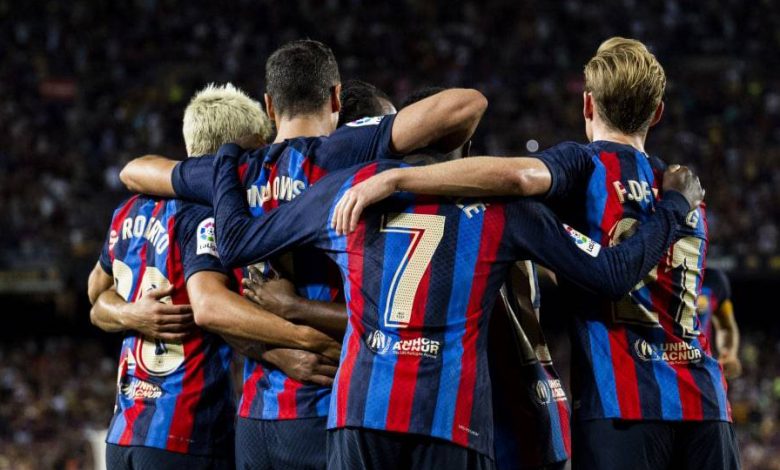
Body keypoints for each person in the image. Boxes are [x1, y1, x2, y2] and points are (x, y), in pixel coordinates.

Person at [330, 37, 739, 469]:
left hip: (623, 407)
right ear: (657, 113)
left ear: (587, 104)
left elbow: (519, 179)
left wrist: (397, 179)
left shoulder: (586, 165)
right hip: (707, 404)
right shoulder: (685, 189)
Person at [208, 136, 703, 469]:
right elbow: (613, 273)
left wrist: (227, 157)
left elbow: (233, 241)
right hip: (453, 420)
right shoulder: (507, 210)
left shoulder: (349, 192)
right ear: (467, 154)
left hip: (361, 413)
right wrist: (674, 207)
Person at [117, 39, 487, 469]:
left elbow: (134, 170)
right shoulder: (341, 153)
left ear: (270, 107)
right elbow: (466, 105)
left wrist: (220, 162)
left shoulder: (233, 172)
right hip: (327, 400)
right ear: (335, 98)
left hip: (256, 415)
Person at [86, 83, 339, 470]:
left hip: (123, 433)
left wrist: (128, 314)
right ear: (232, 154)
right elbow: (213, 309)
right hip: (183, 430)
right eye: (254, 152)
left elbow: (95, 295)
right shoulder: (208, 215)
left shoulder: (127, 211)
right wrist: (300, 340)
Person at [698, 268, 741, 379]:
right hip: (659, 364)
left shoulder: (715, 282)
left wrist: (729, 352)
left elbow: (726, 327)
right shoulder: (656, 274)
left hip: (697, 369)